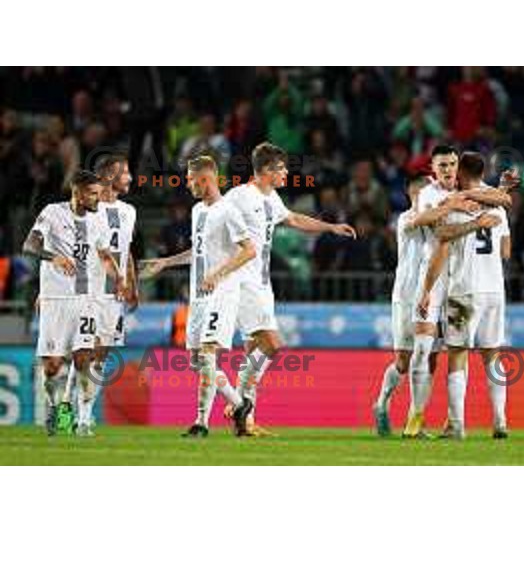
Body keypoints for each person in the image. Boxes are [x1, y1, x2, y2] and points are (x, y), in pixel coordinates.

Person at [224, 142, 356, 434]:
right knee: (272, 345)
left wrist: (331, 228)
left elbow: (294, 218)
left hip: (262, 283)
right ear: (267, 170)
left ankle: (245, 421)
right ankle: (236, 402)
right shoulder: (238, 196)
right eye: (282, 168)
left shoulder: (271, 198)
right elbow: (217, 229)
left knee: (252, 353)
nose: (286, 173)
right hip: (244, 282)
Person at [139, 154, 255, 437]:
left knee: (206, 356)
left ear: (205, 179)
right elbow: (198, 253)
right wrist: (165, 262)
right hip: (199, 296)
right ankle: (240, 405)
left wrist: (217, 275)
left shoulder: (228, 210)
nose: (188, 184)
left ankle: (201, 423)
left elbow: (249, 250)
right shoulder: (198, 212)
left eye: (191, 180)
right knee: (195, 361)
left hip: (221, 293)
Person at [403, 145, 512, 438]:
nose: (450, 170)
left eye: (454, 165)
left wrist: (468, 214)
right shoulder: (495, 204)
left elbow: (442, 237)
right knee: (492, 357)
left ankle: (455, 424)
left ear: (461, 172)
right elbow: (506, 251)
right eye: (444, 165)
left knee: (457, 355)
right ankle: (500, 421)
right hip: (495, 290)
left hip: (463, 289)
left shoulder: (460, 200)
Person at [22, 170, 124, 436]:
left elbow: (103, 254)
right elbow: (30, 245)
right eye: (93, 193)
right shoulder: (53, 212)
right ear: (77, 192)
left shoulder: (98, 221)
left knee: (83, 359)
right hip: (55, 299)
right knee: (53, 366)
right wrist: (52, 257)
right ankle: (52, 406)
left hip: (85, 299)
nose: (98, 200)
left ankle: (81, 419)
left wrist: (120, 279)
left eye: (100, 194)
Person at [63, 154, 139, 434]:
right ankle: (78, 416)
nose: (130, 178)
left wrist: (132, 282)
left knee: (101, 355)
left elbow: (126, 249)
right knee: (86, 351)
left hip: (114, 294)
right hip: (89, 289)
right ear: (108, 176)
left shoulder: (129, 211)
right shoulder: (88, 209)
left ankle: (77, 411)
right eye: (125, 172)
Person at [373, 175, 433, 436]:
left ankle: (414, 422)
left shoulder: (437, 220)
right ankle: (381, 404)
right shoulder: (405, 218)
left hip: (430, 297)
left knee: (426, 358)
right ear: (414, 194)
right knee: (403, 362)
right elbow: (420, 219)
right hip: (406, 296)